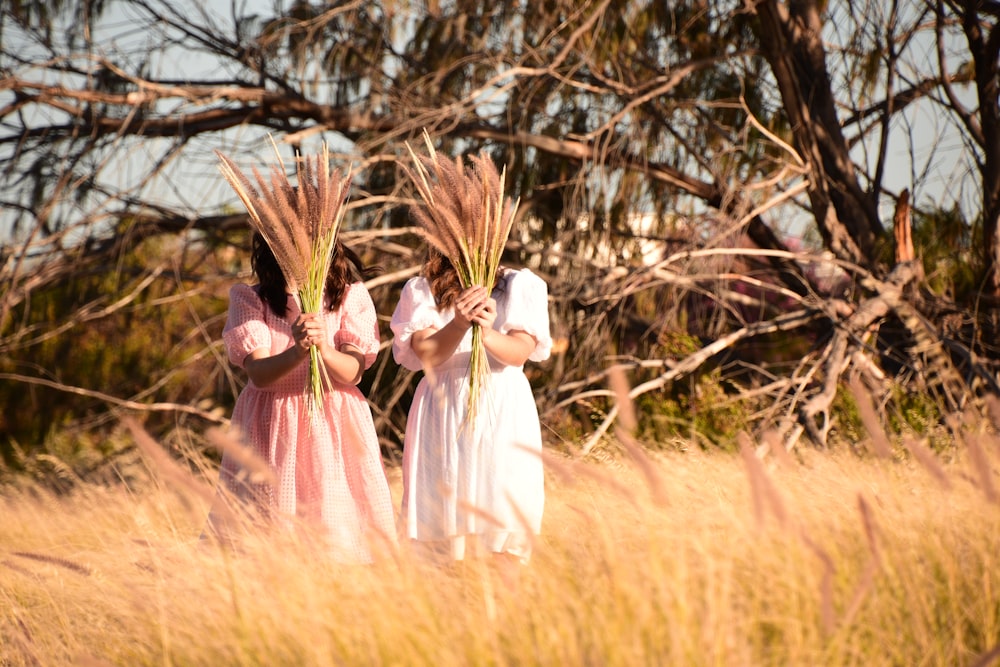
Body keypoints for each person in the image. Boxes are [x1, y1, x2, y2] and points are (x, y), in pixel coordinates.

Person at [206, 232, 397, 563]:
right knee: (270, 539)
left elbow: (352, 371)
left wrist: (322, 348)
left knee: (337, 535)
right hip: (272, 427)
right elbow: (260, 374)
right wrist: (297, 352)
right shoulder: (251, 299)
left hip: (332, 425)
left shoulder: (350, 297)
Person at [390, 248, 552, 570]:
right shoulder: (424, 289)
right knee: (440, 536)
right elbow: (427, 353)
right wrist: (460, 324)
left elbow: (520, 352)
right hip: (443, 412)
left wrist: (487, 331)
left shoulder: (519, 285)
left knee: (502, 524)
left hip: (501, 414)